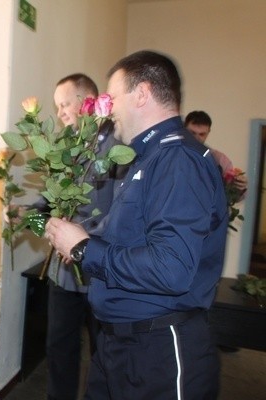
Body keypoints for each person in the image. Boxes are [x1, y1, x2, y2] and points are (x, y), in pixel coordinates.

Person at [45, 50, 228, 399]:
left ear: (142, 93)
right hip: (116, 334)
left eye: (112, 98)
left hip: (154, 346)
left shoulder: (175, 159)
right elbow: (129, 236)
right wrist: (53, 228)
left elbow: (170, 266)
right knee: (64, 356)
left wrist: (83, 247)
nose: (109, 108)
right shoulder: (145, 157)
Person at [23, 74, 127, 400]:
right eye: (57, 106)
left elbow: (121, 210)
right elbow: (52, 202)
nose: (61, 112)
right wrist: (28, 217)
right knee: (59, 347)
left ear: (88, 101)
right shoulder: (64, 146)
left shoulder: (116, 144)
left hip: (98, 269)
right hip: (64, 274)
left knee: (103, 352)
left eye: (65, 103)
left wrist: (83, 241)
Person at [185, 110, 248, 193]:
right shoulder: (169, 154)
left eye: (202, 134)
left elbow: (231, 195)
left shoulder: (219, 159)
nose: (196, 138)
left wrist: (240, 187)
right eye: (192, 133)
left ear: (208, 132)